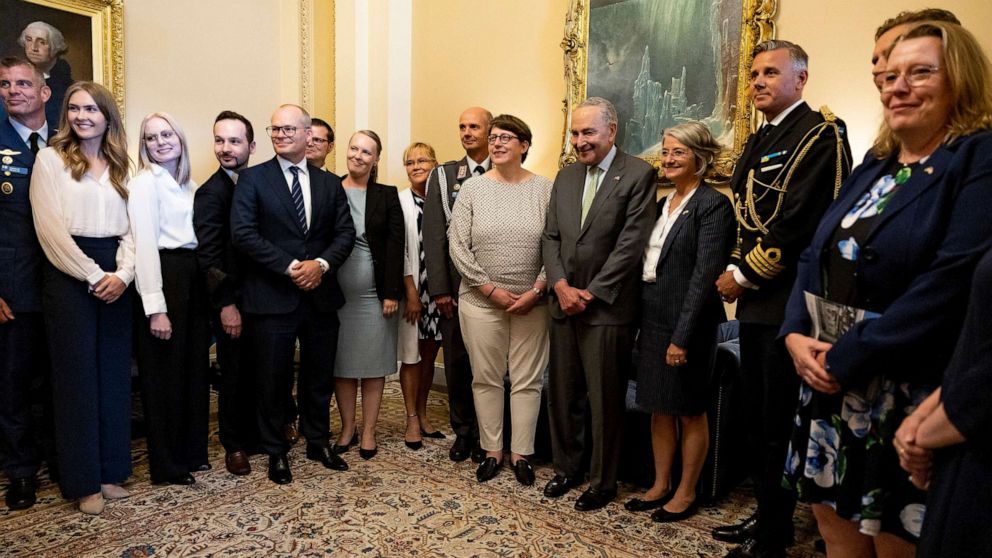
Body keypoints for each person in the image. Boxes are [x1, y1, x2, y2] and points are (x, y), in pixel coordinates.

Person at [781, 21, 992, 557]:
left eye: (920, 73)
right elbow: (814, 252)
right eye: (890, 74)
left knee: (895, 542)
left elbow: (950, 281)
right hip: (830, 383)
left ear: (960, 81)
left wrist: (843, 357)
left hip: (906, 391)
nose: (896, 86)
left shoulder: (976, 157)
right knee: (834, 531)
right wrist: (793, 334)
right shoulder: (877, 161)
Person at [712, 40, 851, 558]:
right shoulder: (759, 137)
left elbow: (803, 224)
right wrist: (732, 267)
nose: (758, 82)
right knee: (758, 421)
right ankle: (766, 516)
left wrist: (743, 275)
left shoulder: (820, 134)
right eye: (753, 74)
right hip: (754, 304)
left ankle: (774, 535)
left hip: (788, 303)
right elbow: (744, 214)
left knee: (779, 424)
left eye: (771, 72)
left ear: (801, 78)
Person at [542, 97, 656, 511]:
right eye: (575, 133)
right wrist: (559, 285)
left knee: (604, 400)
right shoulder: (566, 177)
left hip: (606, 309)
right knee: (563, 393)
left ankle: (602, 481)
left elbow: (631, 244)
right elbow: (550, 237)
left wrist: (589, 292)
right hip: (562, 304)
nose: (579, 141)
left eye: (588, 132)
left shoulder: (639, 174)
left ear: (612, 131)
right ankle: (567, 469)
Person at [231, 104, 354, 484]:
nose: (281, 135)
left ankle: (318, 441)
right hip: (271, 298)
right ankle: (276, 451)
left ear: (307, 134)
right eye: (275, 130)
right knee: (272, 379)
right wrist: (291, 267)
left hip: (320, 296)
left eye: (289, 129)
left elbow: (345, 234)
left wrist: (321, 265)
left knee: (319, 375)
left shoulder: (329, 183)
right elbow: (243, 234)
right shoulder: (252, 179)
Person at [29, 81, 134, 514]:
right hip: (69, 273)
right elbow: (49, 231)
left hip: (116, 272)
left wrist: (124, 274)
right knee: (75, 381)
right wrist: (93, 275)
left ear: (107, 115)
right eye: (74, 108)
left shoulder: (121, 163)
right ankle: (84, 481)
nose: (82, 116)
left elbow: (134, 228)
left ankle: (111, 472)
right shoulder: (49, 160)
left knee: (113, 376)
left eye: (91, 108)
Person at [624, 121, 734, 522]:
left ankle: (686, 492)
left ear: (700, 160)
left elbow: (706, 276)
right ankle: (660, 484)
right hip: (653, 317)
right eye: (666, 151)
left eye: (678, 153)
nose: (668, 159)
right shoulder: (661, 203)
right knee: (658, 407)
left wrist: (682, 338)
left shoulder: (713, 206)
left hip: (689, 324)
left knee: (689, 409)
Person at [448, 115, 552, 485]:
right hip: (480, 301)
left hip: (533, 303)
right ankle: (492, 451)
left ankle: (521, 453)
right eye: (493, 137)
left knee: (528, 379)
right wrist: (488, 288)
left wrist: (537, 289)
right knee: (486, 377)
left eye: (506, 137)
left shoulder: (544, 189)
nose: (496, 143)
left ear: (524, 145)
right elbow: (457, 246)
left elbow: (555, 246)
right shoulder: (473, 190)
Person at [128, 112, 211, 485]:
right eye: (150, 137)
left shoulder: (189, 186)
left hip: (192, 276)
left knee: (194, 369)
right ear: (143, 146)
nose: (160, 142)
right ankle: (167, 465)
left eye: (166, 134)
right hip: (164, 274)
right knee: (164, 377)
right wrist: (155, 308)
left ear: (180, 138)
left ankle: (192, 452)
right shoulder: (144, 183)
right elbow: (143, 246)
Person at [894, 247, 992, 557]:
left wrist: (922, 436)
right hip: (956, 427)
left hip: (977, 439)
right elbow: (974, 343)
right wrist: (924, 414)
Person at [423, 107, 492, 463]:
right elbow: (433, 235)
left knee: (492, 366)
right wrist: (439, 289)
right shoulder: (445, 175)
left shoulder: (505, 172)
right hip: (454, 288)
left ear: (490, 130)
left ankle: (490, 433)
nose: (466, 132)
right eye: (462, 126)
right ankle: (463, 431)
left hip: (496, 289)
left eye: (474, 127)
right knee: (458, 363)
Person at [194, 110, 259, 476]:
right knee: (232, 373)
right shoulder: (210, 193)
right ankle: (233, 444)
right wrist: (226, 305)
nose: (225, 148)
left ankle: (261, 434)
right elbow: (210, 257)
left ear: (251, 145)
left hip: (265, 299)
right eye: (219, 140)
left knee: (263, 370)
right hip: (231, 300)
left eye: (234, 141)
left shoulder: (263, 184)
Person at [332, 130, 404, 460]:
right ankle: (348, 428)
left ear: (376, 159)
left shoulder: (386, 195)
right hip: (336, 297)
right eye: (354, 148)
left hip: (376, 296)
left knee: (373, 366)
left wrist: (391, 292)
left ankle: (370, 430)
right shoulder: (329, 188)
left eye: (367, 152)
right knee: (342, 366)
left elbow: (394, 245)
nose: (358, 155)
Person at [0, 56, 52, 511]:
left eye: (22, 83)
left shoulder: (66, 141)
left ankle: (62, 460)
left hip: (62, 287)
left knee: (58, 381)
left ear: (43, 92)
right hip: (13, 290)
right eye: (5, 84)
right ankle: (20, 472)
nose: (13, 91)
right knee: (13, 385)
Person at [396, 142, 444, 450]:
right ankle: (412, 418)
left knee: (429, 355)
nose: (416, 166)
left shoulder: (443, 199)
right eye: (410, 162)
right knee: (411, 356)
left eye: (423, 159)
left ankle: (424, 412)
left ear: (435, 163)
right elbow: (399, 251)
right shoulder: (399, 201)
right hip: (413, 291)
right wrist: (411, 293)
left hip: (438, 293)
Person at [17, 22, 72, 129]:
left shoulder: (66, 86)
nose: (33, 48)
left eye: (42, 42)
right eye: (29, 40)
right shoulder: (15, 78)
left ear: (55, 46)